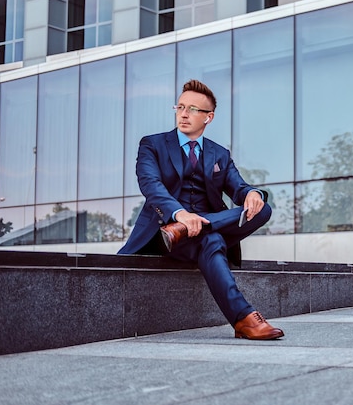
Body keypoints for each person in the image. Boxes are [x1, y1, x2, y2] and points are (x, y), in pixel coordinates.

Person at [118, 79, 284, 340]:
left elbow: (237, 187)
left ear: (209, 117)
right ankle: (245, 319)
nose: (184, 114)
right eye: (180, 106)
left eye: (193, 109)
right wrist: (180, 215)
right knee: (213, 240)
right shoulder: (152, 144)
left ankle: (199, 227)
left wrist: (251, 193)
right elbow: (151, 185)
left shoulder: (219, 154)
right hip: (165, 233)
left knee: (262, 209)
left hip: (193, 232)